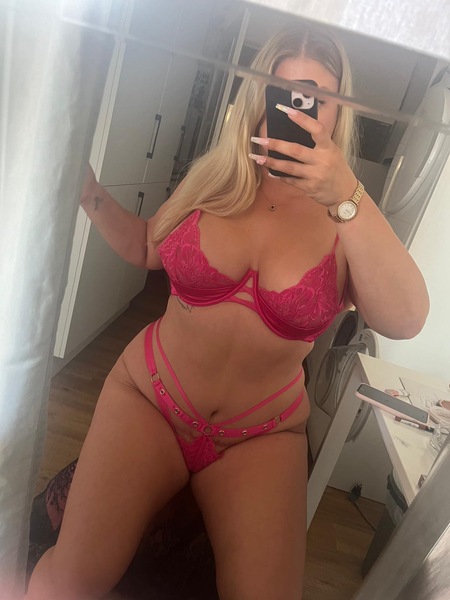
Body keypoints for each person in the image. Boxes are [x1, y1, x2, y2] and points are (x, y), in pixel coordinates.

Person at [26, 23, 429, 600]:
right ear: (258, 96)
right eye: (281, 91)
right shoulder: (213, 179)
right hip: (150, 399)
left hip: (261, 437)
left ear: (338, 113)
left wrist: (346, 194)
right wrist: (87, 191)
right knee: (69, 583)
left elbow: (405, 319)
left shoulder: (351, 218)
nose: (295, 112)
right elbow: (145, 247)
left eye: (315, 98)